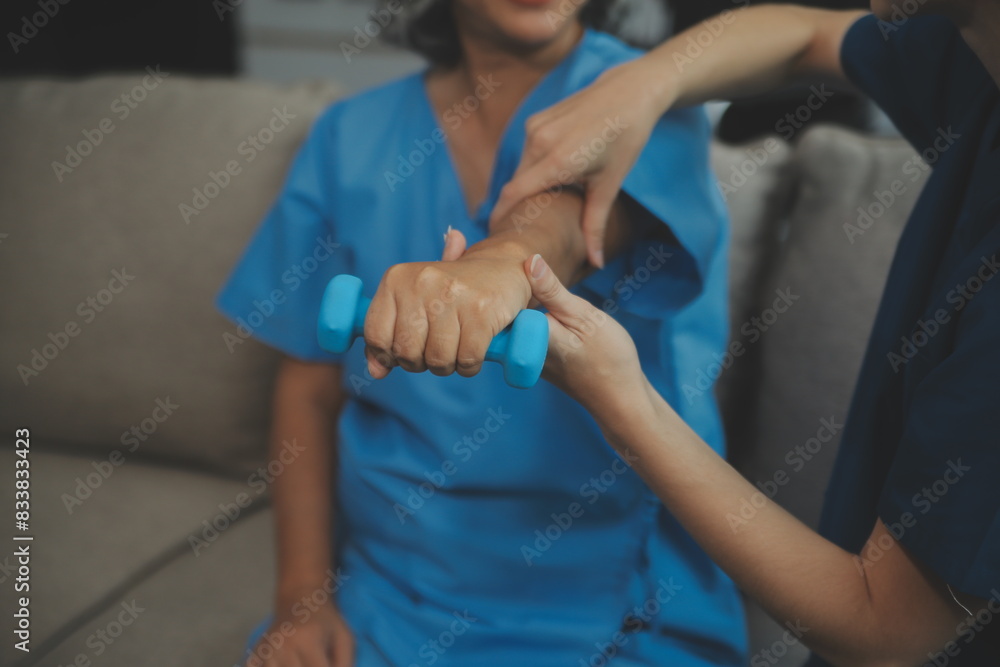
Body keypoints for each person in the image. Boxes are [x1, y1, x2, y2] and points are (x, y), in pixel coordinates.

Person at [218, 1, 748, 664]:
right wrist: (302, 598)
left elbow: (573, 219)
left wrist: (501, 265)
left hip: (609, 597)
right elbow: (309, 384)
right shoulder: (348, 136)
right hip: (391, 588)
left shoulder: (648, 93)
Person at [477, 2, 1000, 665]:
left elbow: (886, 629)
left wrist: (622, 397)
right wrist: (644, 83)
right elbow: (808, 36)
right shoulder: (975, 56)